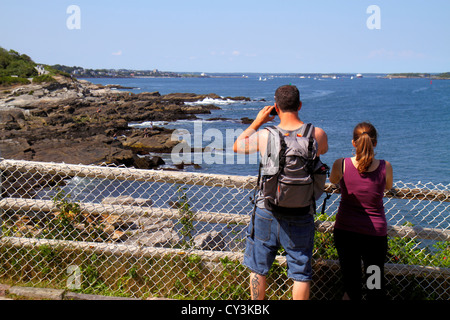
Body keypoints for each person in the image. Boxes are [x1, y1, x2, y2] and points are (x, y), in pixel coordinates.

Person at [233, 85, 328, 300]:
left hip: (267, 209)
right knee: (301, 273)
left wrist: (258, 122)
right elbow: (324, 150)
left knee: (258, 268)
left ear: (276, 107)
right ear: (300, 105)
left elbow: (237, 146)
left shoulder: (266, 135)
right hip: (302, 212)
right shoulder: (317, 134)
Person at [329, 122, 393, 300]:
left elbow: (333, 180)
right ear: (375, 143)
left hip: (346, 233)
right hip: (374, 236)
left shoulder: (341, 164)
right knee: (375, 286)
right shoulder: (385, 167)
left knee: (351, 286)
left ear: (353, 143)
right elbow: (388, 186)